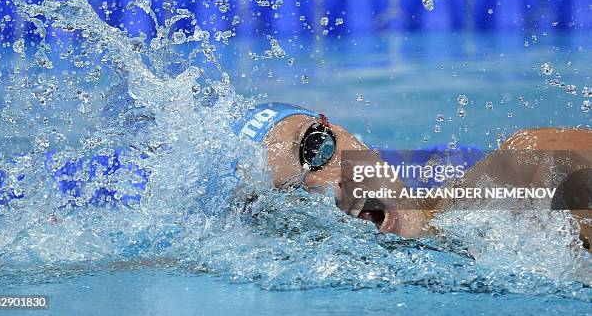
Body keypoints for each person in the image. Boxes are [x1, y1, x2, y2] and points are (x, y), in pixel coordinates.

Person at [237, 103, 592, 250]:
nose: (331, 187)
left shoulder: (526, 171)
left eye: (316, 148)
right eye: (292, 196)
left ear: (338, 128)